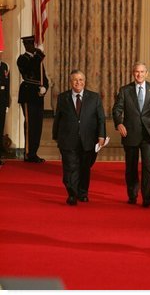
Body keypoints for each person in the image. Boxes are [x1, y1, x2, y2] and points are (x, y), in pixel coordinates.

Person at [112, 61, 150, 207]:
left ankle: (148, 197)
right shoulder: (125, 90)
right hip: (130, 133)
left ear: (146, 73)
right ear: (133, 73)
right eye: (137, 72)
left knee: (147, 166)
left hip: (149, 133)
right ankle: (132, 194)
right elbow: (117, 109)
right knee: (131, 166)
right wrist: (119, 123)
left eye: (142, 72)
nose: (139, 74)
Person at [52, 69, 106, 206]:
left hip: (88, 140)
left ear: (85, 81)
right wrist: (55, 135)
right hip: (68, 139)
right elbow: (58, 117)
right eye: (75, 80)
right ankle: (72, 194)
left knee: (84, 168)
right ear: (71, 82)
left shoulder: (94, 97)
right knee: (70, 167)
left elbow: (101, 119)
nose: (78, 82)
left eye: (81, 80)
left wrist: (101, 135)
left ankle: (83, 193)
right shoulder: (62, 97)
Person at [17, 36, 49, 163]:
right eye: (31, 44)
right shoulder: (22, 59)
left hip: (38, 95)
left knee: (37, 125)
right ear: (26, 45)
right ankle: (28, 153)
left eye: (34, 44)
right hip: (28, 94)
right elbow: (29, 70)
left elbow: (44, 77)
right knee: (30, 125)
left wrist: (45, 88)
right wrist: (39, 55)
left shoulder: (38, 59)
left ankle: (34, 153)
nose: (33, 47)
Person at [0, 54, 10, 166]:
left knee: (0, 127)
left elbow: (7, 86)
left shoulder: (5, 66)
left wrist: (6, 103)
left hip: (2, 100)